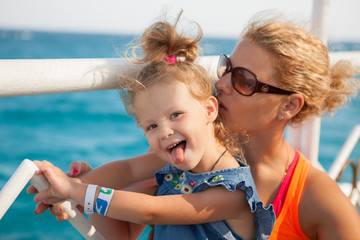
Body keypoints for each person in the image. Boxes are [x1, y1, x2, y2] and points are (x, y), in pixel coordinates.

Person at [29, 14, 360, 239]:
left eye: (244, 80)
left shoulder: (320, 201)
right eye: (227, 67)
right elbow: (123, 226)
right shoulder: (184, 156)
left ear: (289, 105)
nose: (223, 83)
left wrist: (78, 192)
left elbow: (151, 212)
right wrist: (71, 187)